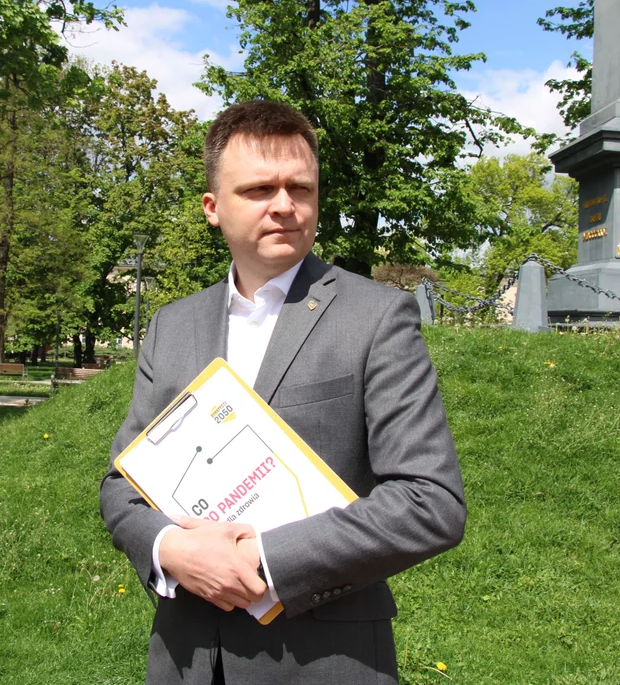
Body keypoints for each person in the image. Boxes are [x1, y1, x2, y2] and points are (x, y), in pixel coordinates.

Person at [100, 100, 466, 684]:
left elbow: (429, 503)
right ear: (212, 208)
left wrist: (263, 558)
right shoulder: (173, 326)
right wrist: (170, 549)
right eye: (258, 189)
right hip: (186, 660)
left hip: (321, 662)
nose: (284, 205)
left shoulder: (376, 318)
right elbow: (123, 485)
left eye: (300, 188)